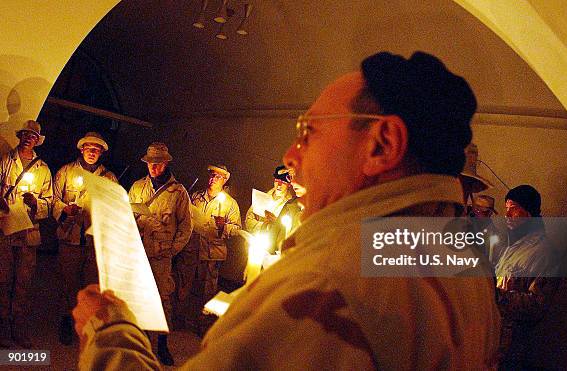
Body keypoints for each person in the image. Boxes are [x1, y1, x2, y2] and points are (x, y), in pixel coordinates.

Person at [73, 51, 500, 369]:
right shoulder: (460, 256)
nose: (290, 155)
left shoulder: (328, 282)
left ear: (381, 145)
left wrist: (109, 334)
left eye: (308, 131)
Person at [128, 142, 192, 365]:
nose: (153, 168)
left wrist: (172, 250)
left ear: (165, 163)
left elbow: (186, 227)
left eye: (158, 164)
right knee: (137, 297)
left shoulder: (178, 193)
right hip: (139, 253)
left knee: (162, 300)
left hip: (162, 256)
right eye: (150, 164)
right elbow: (128, 215)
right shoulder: (137, 187)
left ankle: (162, 344)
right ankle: (141, 342)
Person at [52, 132, 118, 345]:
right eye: (88, 148)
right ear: (81, 149)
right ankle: (66, 320)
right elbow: (54, 200)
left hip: (94, 242)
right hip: (70, 238)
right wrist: (65, 210)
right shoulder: (66, 172)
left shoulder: (108, 178)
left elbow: (113, 206)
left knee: (91, 285)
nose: (92, 152)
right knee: (69, 282)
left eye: (96, 149)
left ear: (101, 153)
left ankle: (88, 325)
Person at [0, 120, 52, 349]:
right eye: (26, 134)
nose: (29, 138)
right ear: (21, 136)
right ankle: (2, 329)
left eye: (34, 136)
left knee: (23, 282)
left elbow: (49, 204)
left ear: (37, 140)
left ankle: (18, 328)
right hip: (6, 230)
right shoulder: (5, 162)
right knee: (3, 280)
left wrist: (36, 202)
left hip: (29, 233)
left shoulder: (43, 169)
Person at [495, 185, 559, 369]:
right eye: (506, 210)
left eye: (513, 210)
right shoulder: (514, 246)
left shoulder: (545, 253)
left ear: (529, 214)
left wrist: (497, 295)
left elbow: (537, 306)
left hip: (513, 348)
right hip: (497, 340)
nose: (507, 216)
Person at [175, 164, 241, 334]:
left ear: (224, 180)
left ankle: (203, 325)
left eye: (218, 177)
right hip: (192, 247)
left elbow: (236, 228)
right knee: (184, 284)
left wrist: (223, 226)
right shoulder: (196, 196)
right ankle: (178, 317)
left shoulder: (230, 204)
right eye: (211, 175)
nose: (213, 179)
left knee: (207, 290)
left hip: (212, 252)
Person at [244, 165, 293, 234]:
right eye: (277, 181)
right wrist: (264, 226)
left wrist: (275, 224)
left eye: (283, 182)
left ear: (289, 184)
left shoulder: (290, 205)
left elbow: (289, 230)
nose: (279, 185)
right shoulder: (261, 197)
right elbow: (248, 220)